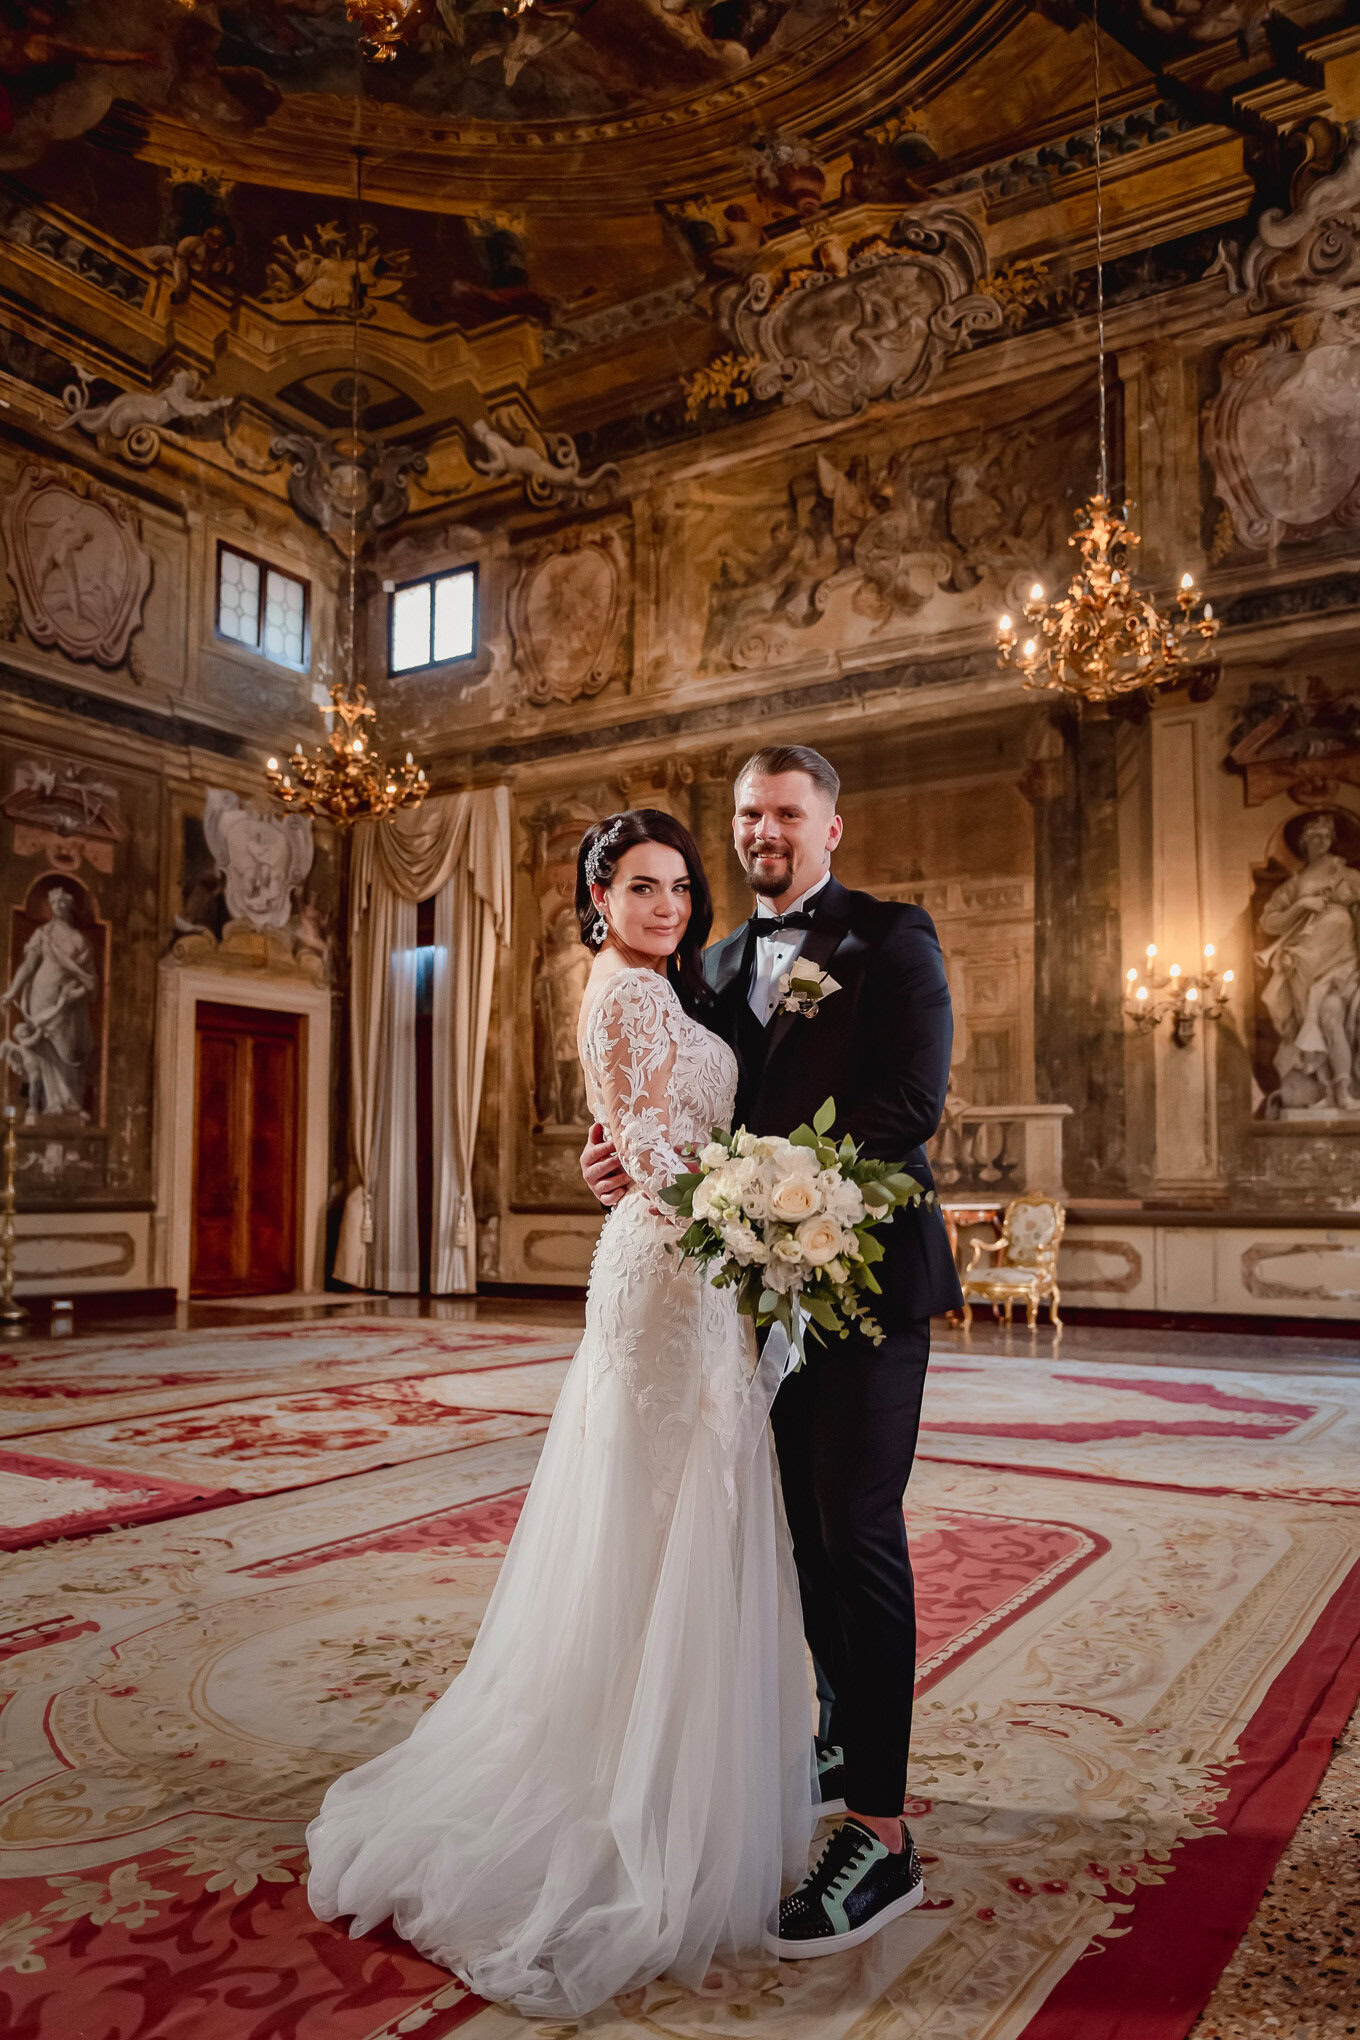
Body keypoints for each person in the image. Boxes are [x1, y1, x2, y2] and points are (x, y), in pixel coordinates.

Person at [307, 809, 813, 2016]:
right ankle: (618, 1790)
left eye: (680, 889)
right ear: (597, 896)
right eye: (641, 889)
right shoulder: (623, 994)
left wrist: (750, 1209)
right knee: (655, 1513)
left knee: (682, 1509)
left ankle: (668, 1765)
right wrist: (769, 1219)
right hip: (674, 1267)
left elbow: (662, 1136)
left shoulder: (664, 990)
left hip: (695, 1264)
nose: (667, 907)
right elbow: (648, 1149)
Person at [582, 743, 961, 1957]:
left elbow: (906, 1107)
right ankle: (845, 1740)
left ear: (830, 828)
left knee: (855, 1532)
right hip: (742, 1302)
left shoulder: (892, 939)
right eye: (747, 815)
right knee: (791, 1537)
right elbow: (671, 1109)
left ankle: (883, 1837)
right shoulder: (708, 967)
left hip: (860, 1282)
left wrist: (760, 1191)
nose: (763, 832)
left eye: (786, 812)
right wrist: (623, 1160)